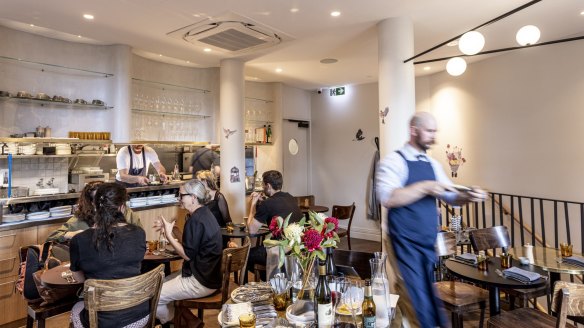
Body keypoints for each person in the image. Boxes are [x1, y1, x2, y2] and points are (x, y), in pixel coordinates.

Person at [376, 112, 487, 328]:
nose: (433, 137)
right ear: (413, 130)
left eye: (435, 131)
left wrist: (468, 195)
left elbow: (451, 196)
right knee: (414, 294)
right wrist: (426, 186)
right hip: (403, 241)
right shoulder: (393, 161)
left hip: (427, 242)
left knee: (422, 294)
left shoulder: (433, 164)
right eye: (429, 131)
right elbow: (388, 197)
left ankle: (398, 323)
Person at [69, 183, 148, 328]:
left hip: (101, 321)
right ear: (122, 207)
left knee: (76, 308)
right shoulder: (138, 233)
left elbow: (81, 280)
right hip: (139, 316)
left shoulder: (79, 240)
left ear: (95, 207)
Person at [153, 179, 222, 324]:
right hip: (209, 277)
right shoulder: (204, 214)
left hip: (200, 281)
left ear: (193, 197)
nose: (180, 199)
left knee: (155, 296)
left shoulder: (195, 220)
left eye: (182, 195)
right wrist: (175, 231)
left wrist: (169, 235)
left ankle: (183, 323)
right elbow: (192, 245)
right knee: (158, 284)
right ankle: (189, 321)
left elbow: (186, 255)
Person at [246, 170, 303, 280]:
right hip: (296, 247)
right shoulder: (290, 198)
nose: (262, 187)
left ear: (268, 185)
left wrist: (252, 205)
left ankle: (268, 281)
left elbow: (252, 230)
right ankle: (274, 278)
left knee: (247, 255)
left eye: (263, 184)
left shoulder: (267, 204)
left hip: (280, 250)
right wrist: (263, 202)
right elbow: (276, 207)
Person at [46, 181, 141, 243]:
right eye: (99, 201)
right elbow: (51, 238)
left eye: (107, 199)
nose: (105, 204)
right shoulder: (80, 220)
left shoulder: (126, 212)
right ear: (91, 203)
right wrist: (70, 234)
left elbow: (140, 236)